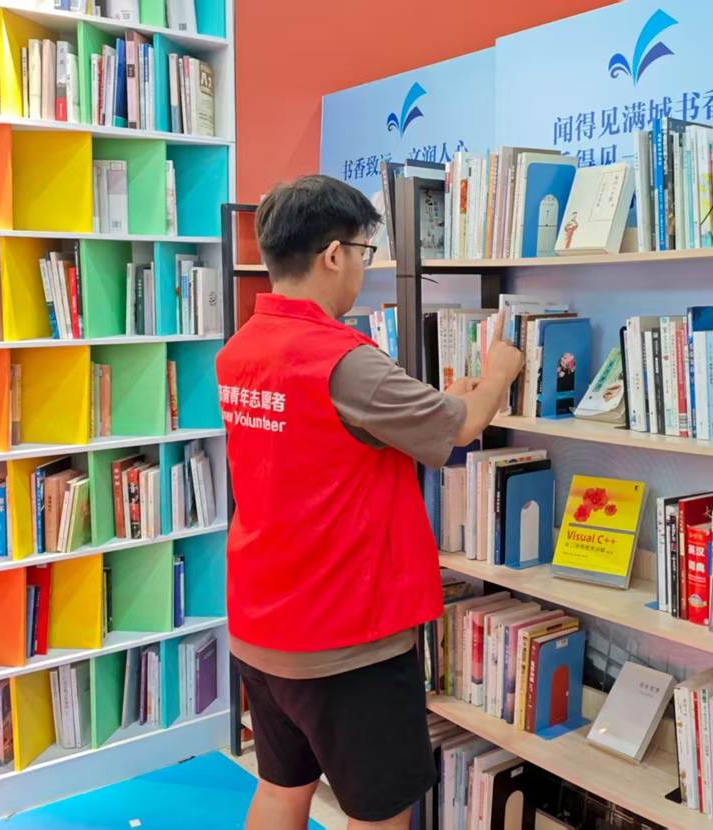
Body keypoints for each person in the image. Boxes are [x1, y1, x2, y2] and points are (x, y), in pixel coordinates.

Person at [215, 175, 523, 830]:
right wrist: (500, 370)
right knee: (378, 813)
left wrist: (439, 402)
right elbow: (465, 427)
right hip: (344, 636)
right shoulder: (342, 359)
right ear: (334, 255)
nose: (363, 266)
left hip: (262, 621)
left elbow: (324, 439)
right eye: (364, 251)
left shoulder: (243, 347)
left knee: (281, 788)